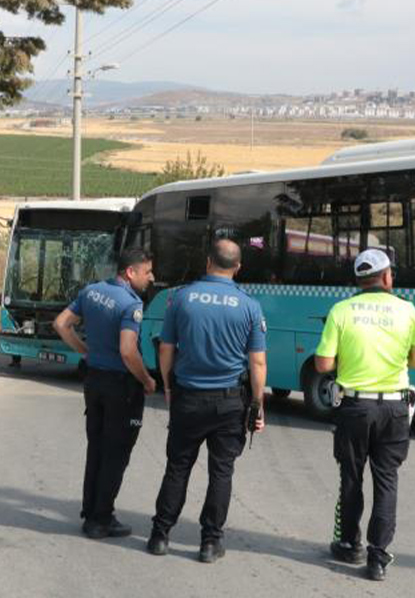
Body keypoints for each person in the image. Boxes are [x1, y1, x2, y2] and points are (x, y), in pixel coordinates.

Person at [313, 248, 415, 582]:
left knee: (351, 477)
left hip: (354, 407)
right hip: (393, 408)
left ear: (360, 279)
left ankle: (350, 543)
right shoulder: (408, 311)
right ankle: (378, 558)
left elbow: (323, 365)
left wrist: (347, 360)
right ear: (387, 276)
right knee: (387, 480)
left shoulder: (341, 310)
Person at [147, 239, 267, 563]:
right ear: (238, 267)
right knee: (221, 472)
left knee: (177, 467)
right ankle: (210, 543)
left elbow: (165, 349)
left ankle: (160, 535)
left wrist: (169, 388)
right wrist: (258, 404)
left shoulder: (181, 298)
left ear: (208, 262)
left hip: (187, 397)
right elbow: (257, 363)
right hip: (229, 403)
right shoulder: (249, 306)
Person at [53, 248, 157, 539]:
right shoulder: (131, 304)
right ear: (130, 272)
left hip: (94, 382)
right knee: (117, 452)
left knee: (97, 447)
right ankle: (101, 517)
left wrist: (86, 351)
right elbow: (127, 350)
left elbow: (61, 324)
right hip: (120, 387)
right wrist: (147, 379)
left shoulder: (91, 291)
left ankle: (91, 511)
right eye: (147, 271)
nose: (152, 277)